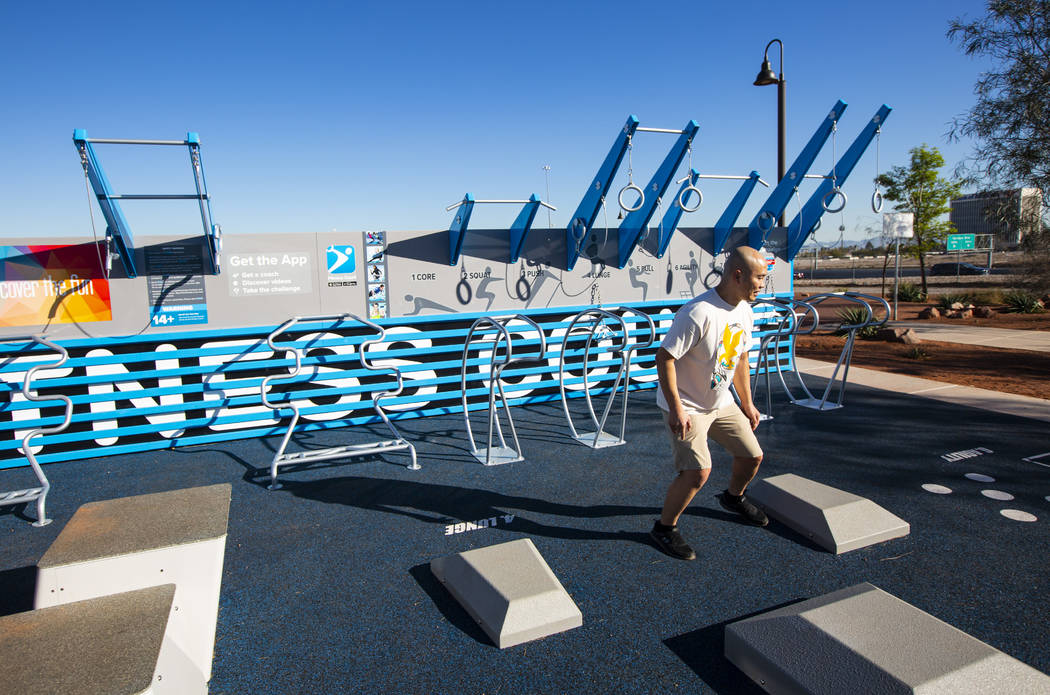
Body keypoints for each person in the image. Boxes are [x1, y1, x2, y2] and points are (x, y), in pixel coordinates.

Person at [649, 245, 768, 560]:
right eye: (760, 277)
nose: (762, 284)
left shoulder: (745, 309)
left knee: (752, 456)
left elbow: (740, 358)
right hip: (687, 405)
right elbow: (664, 358)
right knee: (697, 473)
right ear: (738, 274)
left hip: (721, 401)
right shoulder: (698, 312)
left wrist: (747, 403)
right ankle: (664, 529)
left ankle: (733, 498)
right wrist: (677, 408)